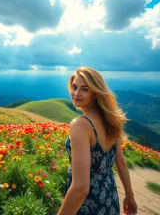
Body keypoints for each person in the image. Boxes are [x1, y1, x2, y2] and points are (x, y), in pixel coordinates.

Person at [57, 67, 138, 215]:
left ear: (95, 93)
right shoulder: (111, 120)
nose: (76, 93)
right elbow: (121, 162)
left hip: (87, 204)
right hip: (109, 198)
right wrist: (129, 195)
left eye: (84, 89)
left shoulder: (81, 124)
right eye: (74, 87)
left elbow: (81, 188)